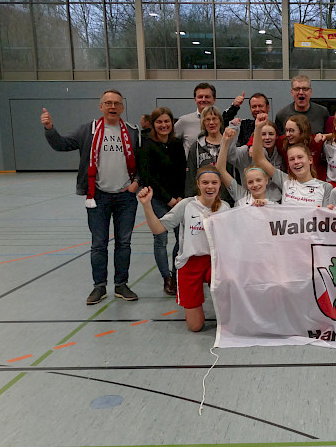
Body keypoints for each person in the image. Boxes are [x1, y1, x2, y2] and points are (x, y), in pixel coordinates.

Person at [41, 90, 141, 304]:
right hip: (98, 197)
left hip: (126, 197)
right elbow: (62, 144)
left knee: (124, 243)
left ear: (122, 108)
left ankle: (121, 285)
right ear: (101, 107)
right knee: (99, 244)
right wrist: (49, 128)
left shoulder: (133, 131)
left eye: (116, 103)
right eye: (108, 103)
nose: (112, 107)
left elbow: (143, 162)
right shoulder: (88, 130)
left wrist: (137, 183)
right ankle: (99, 286)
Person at [137, 165, 229, 332]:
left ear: (220, 184)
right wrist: (147, 205)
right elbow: (158, 228)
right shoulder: (187, 205)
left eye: (214, 182)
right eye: (205, 182)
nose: (210, 186)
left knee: (228, 289)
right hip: (190, 263)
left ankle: (227, 308)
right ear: (198, 184)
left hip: (214, 262)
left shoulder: (225, 208)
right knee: (195, 326)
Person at [137, 107, 186, 296]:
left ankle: (175, 274)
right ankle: (166, 277)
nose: (164, 125)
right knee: (161, 238)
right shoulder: (147, 146)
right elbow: (148, 177)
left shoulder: (176, 144)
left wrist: (180, 197)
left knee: (180, 239)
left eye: (167, 122)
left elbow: (183, 172)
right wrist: (169, 199)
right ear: (153, 124)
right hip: (158, 199)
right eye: (159, 122)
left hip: (178, 199)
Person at [253, 113, 333, 206]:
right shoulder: (285, 181)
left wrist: (327, 136)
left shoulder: (326, 187)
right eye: (291, 159)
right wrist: (258, 129)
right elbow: (259, 159)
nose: (296, 162)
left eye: (300, 157)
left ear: (310, 159)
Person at [223, 115, 284, 202]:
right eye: (263, 134)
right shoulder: (246, 152)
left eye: (271, 134)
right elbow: (229, 156)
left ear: (276, 136)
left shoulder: (280, 153)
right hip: (250, 201)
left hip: (275, 202)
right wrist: (234, 129)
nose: (267, 138)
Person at [175, 82, 244, 156]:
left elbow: (227, 115)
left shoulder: (219, 122)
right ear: (195, 99)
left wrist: (235, 106)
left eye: (207, 97)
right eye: (200, 97)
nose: (203, 99)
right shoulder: (184, 121)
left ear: (214, 99)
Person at [217, 128, 278, 207]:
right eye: (250, 182)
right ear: (246, 184)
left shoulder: (275, 200)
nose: (255, 185)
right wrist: (225, 142)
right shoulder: (241, 195)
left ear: (266, 180)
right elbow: (220, 170)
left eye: (258, 180)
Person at [184, 106, 223, 197]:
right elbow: (191, 177)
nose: (211, 122)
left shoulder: (231, 145)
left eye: (214, 119)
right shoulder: (195, 148)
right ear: (203, 123)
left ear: (220, 121)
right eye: (207, 120)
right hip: (203, 200)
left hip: (228, 199)